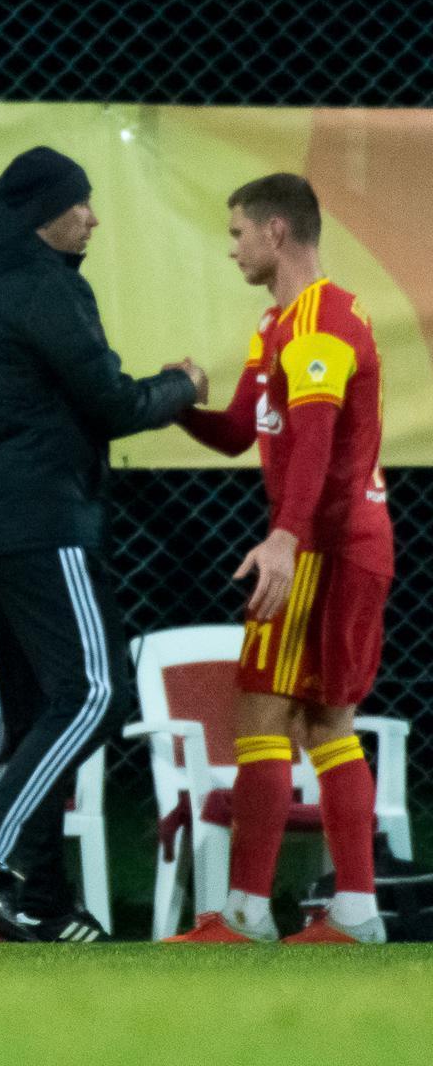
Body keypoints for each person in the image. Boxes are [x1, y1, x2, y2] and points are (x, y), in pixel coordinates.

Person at [0, 148, 202, 942]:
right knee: (94, 692)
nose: (93, 219)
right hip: (45, 522)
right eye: (82, 205)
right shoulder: (46, 286)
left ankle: (42, 898)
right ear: (46, 212)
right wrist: (183, 387)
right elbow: (114, 403)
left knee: (38, 713)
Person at [166, 174, 394, 944]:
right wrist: (175, 403)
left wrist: (286, 538)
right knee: (326, 722)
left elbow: (319, 440)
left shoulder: (323, 321)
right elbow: (239, 431)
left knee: (265, 710)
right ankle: (354, 913)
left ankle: (247, 913)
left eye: (237, 233)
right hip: (341, 546)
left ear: (276, 231)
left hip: (328, 547)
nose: (231, 248)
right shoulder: (277, 325)